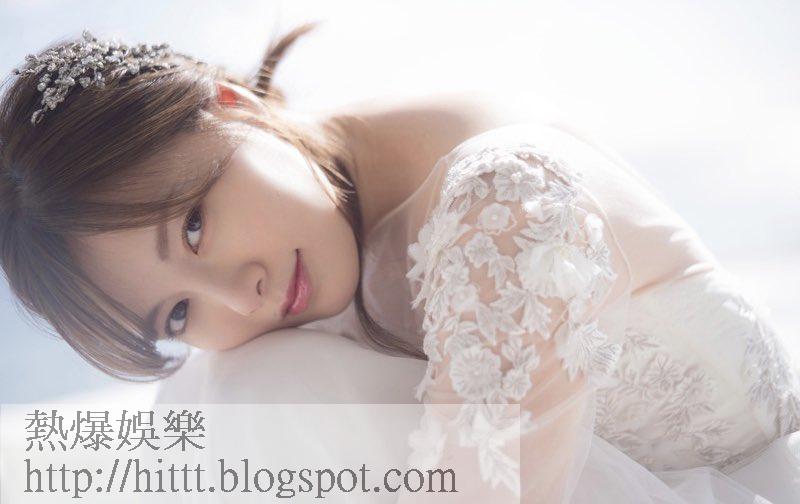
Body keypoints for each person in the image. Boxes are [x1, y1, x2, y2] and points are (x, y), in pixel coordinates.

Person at [1, 25, 798, 503]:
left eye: (196, 227)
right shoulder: (321, 213)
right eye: (178, 314)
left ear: (229, 105)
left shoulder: (495, 198)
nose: (241, 298)